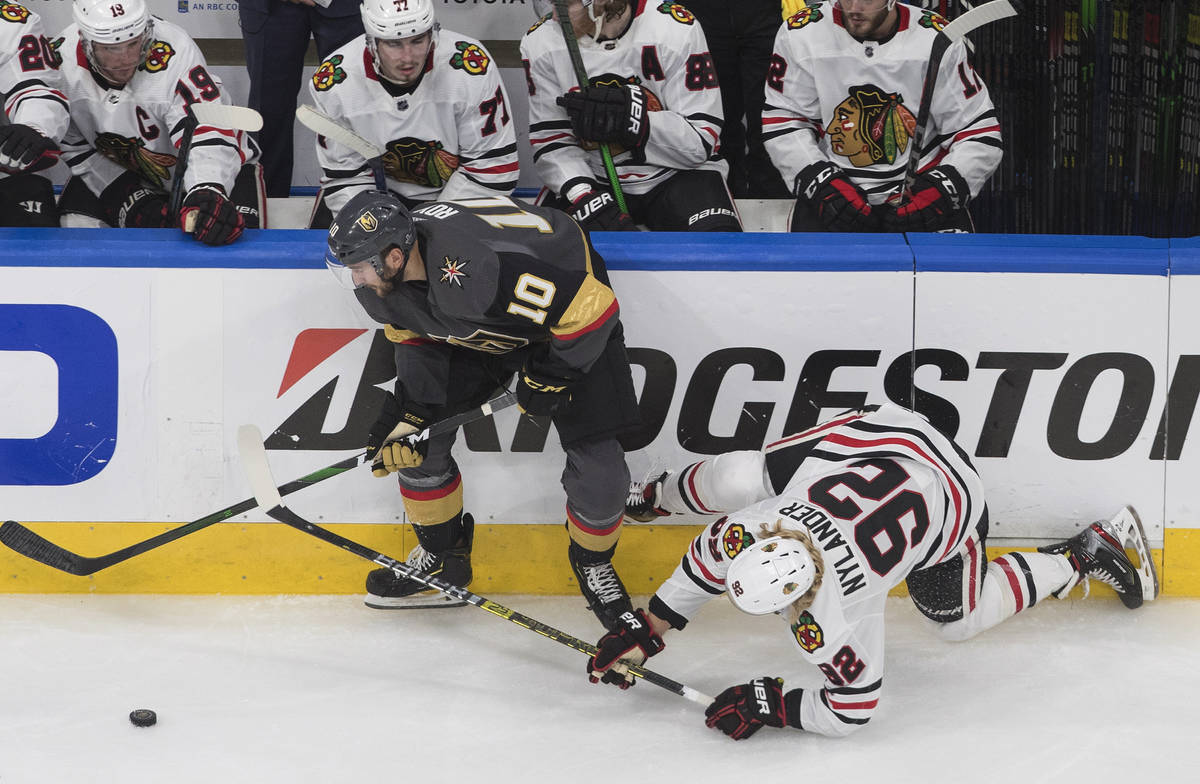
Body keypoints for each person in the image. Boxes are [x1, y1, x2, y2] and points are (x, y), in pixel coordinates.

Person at [587, 403, 1158, 739]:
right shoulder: (759, 532)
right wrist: (650, 629)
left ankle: (1082, 555)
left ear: (796, 599)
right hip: (885, 437)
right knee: (741, 479)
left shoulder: (834, 615)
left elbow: (854, 709)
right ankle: (653, 495)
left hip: (954, 495)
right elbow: (707, 563)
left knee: (955, 621)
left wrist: (775, 705)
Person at [324, 191, 642, 631]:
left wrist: (552, 374)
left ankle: (594, 563)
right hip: (483, 318)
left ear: (393, 257)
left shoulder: (476, 270)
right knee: (418, 441)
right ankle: (442, 556)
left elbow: (593, 310)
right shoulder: (384, 285)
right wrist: (414, 412)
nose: (355, 280)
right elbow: (413, 333)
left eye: (358, 268)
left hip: (565, 313)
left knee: (602, 470)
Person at [763, 0, 1002, 232]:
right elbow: (784, 120)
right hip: (833, 194)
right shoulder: (802, 33)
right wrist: (821, 183)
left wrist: (939, 191)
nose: (854, 8)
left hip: (919, 194)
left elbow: (979, 132)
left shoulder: (935, 37)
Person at [520, 0, 742, 232]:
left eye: (568, 5)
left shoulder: (673, 27)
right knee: (551, 256)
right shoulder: (541, 40)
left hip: (678, 174)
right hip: (593, 177)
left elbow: (702, 141)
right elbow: (551, 140)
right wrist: (583, 195)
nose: (556, 17)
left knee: (715, 250)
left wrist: (636, 124)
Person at [56, 0, 263, 244]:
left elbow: (205, 128)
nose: (126, 59)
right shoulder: (60, 62)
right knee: (76, 232)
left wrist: (206, 188)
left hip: (217, 169)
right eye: (111, 49)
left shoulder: (175, 49)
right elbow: (73, 142)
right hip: (123, 171)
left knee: (227, 239)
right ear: (86, 41)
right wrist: (126, 194)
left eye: (134, 44)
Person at [305, 0, 519, 228]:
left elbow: (493, 167)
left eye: (418, 40)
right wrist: (378, 228)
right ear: (371, 41)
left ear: (433, 33)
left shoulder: (470, 67)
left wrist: (431, 226)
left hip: (460, 193)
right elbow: (346, 177)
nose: (408, 57)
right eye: (394, 43)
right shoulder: (335, 82)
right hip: (378, 198)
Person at [239, 0, 364, 198]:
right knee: (268, 110)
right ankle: (264, 207)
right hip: (269, 8)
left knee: (355, 105)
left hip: (346, 5)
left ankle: (362, 201)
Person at [685, 0, 789, 198]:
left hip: (765, 14)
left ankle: (772, 200)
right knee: (716, 117)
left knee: (769, 113)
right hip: (702, 15)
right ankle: (721, 195)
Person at [0, 2, 69, 227]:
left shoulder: (10, 18)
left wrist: (32, 127)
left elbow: (33, 87)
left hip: (5, 166)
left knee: (35, 242)